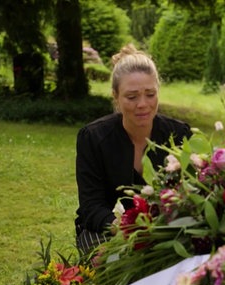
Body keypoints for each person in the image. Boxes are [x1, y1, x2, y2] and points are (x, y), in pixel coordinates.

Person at [75, 44, 192, 255]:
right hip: (108, 230)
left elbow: (191, 194)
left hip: (166, 231)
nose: (142, 104)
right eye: (132, 97)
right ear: (115, 97)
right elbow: (91, 206)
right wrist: (127, 231)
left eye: (150, 94)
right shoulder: (93, 138)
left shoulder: (179, 134)